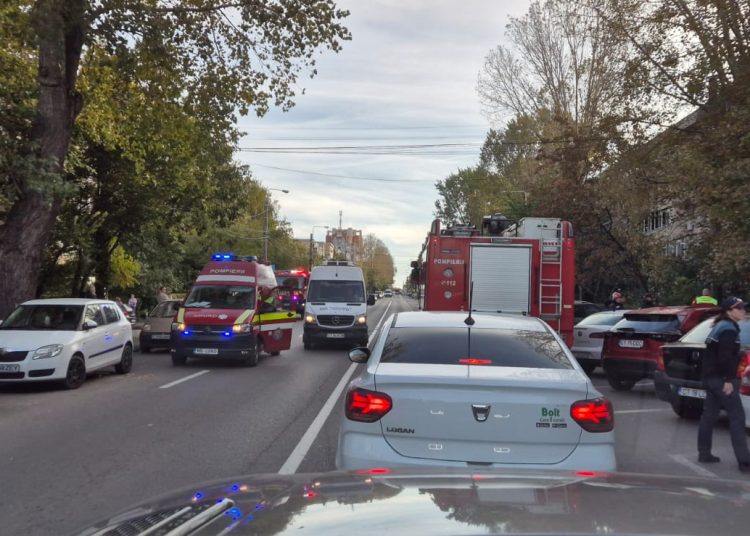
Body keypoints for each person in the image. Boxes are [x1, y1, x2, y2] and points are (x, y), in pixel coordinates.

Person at [696, 296, 750, 473]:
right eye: (739, 308)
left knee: (709, 415)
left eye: (743, 307)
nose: (743, 310)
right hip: (721, 379)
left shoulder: (721, 326)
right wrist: (728, 380)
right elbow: (724, 357)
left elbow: (719, 352)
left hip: (710, 378)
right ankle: (744, 462)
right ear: (729, 311)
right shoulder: (728, 329)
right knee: (737, 416)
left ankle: (704, 453)